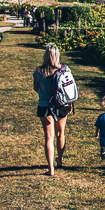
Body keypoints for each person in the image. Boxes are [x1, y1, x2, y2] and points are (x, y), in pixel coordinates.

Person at [32, 43, 71, 176]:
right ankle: (59, 160)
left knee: (49, 137)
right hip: (61, 104)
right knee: (61, 134)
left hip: (45, 106)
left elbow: (35, 88)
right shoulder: (65, 69)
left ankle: (51, 169)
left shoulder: (39, 71)